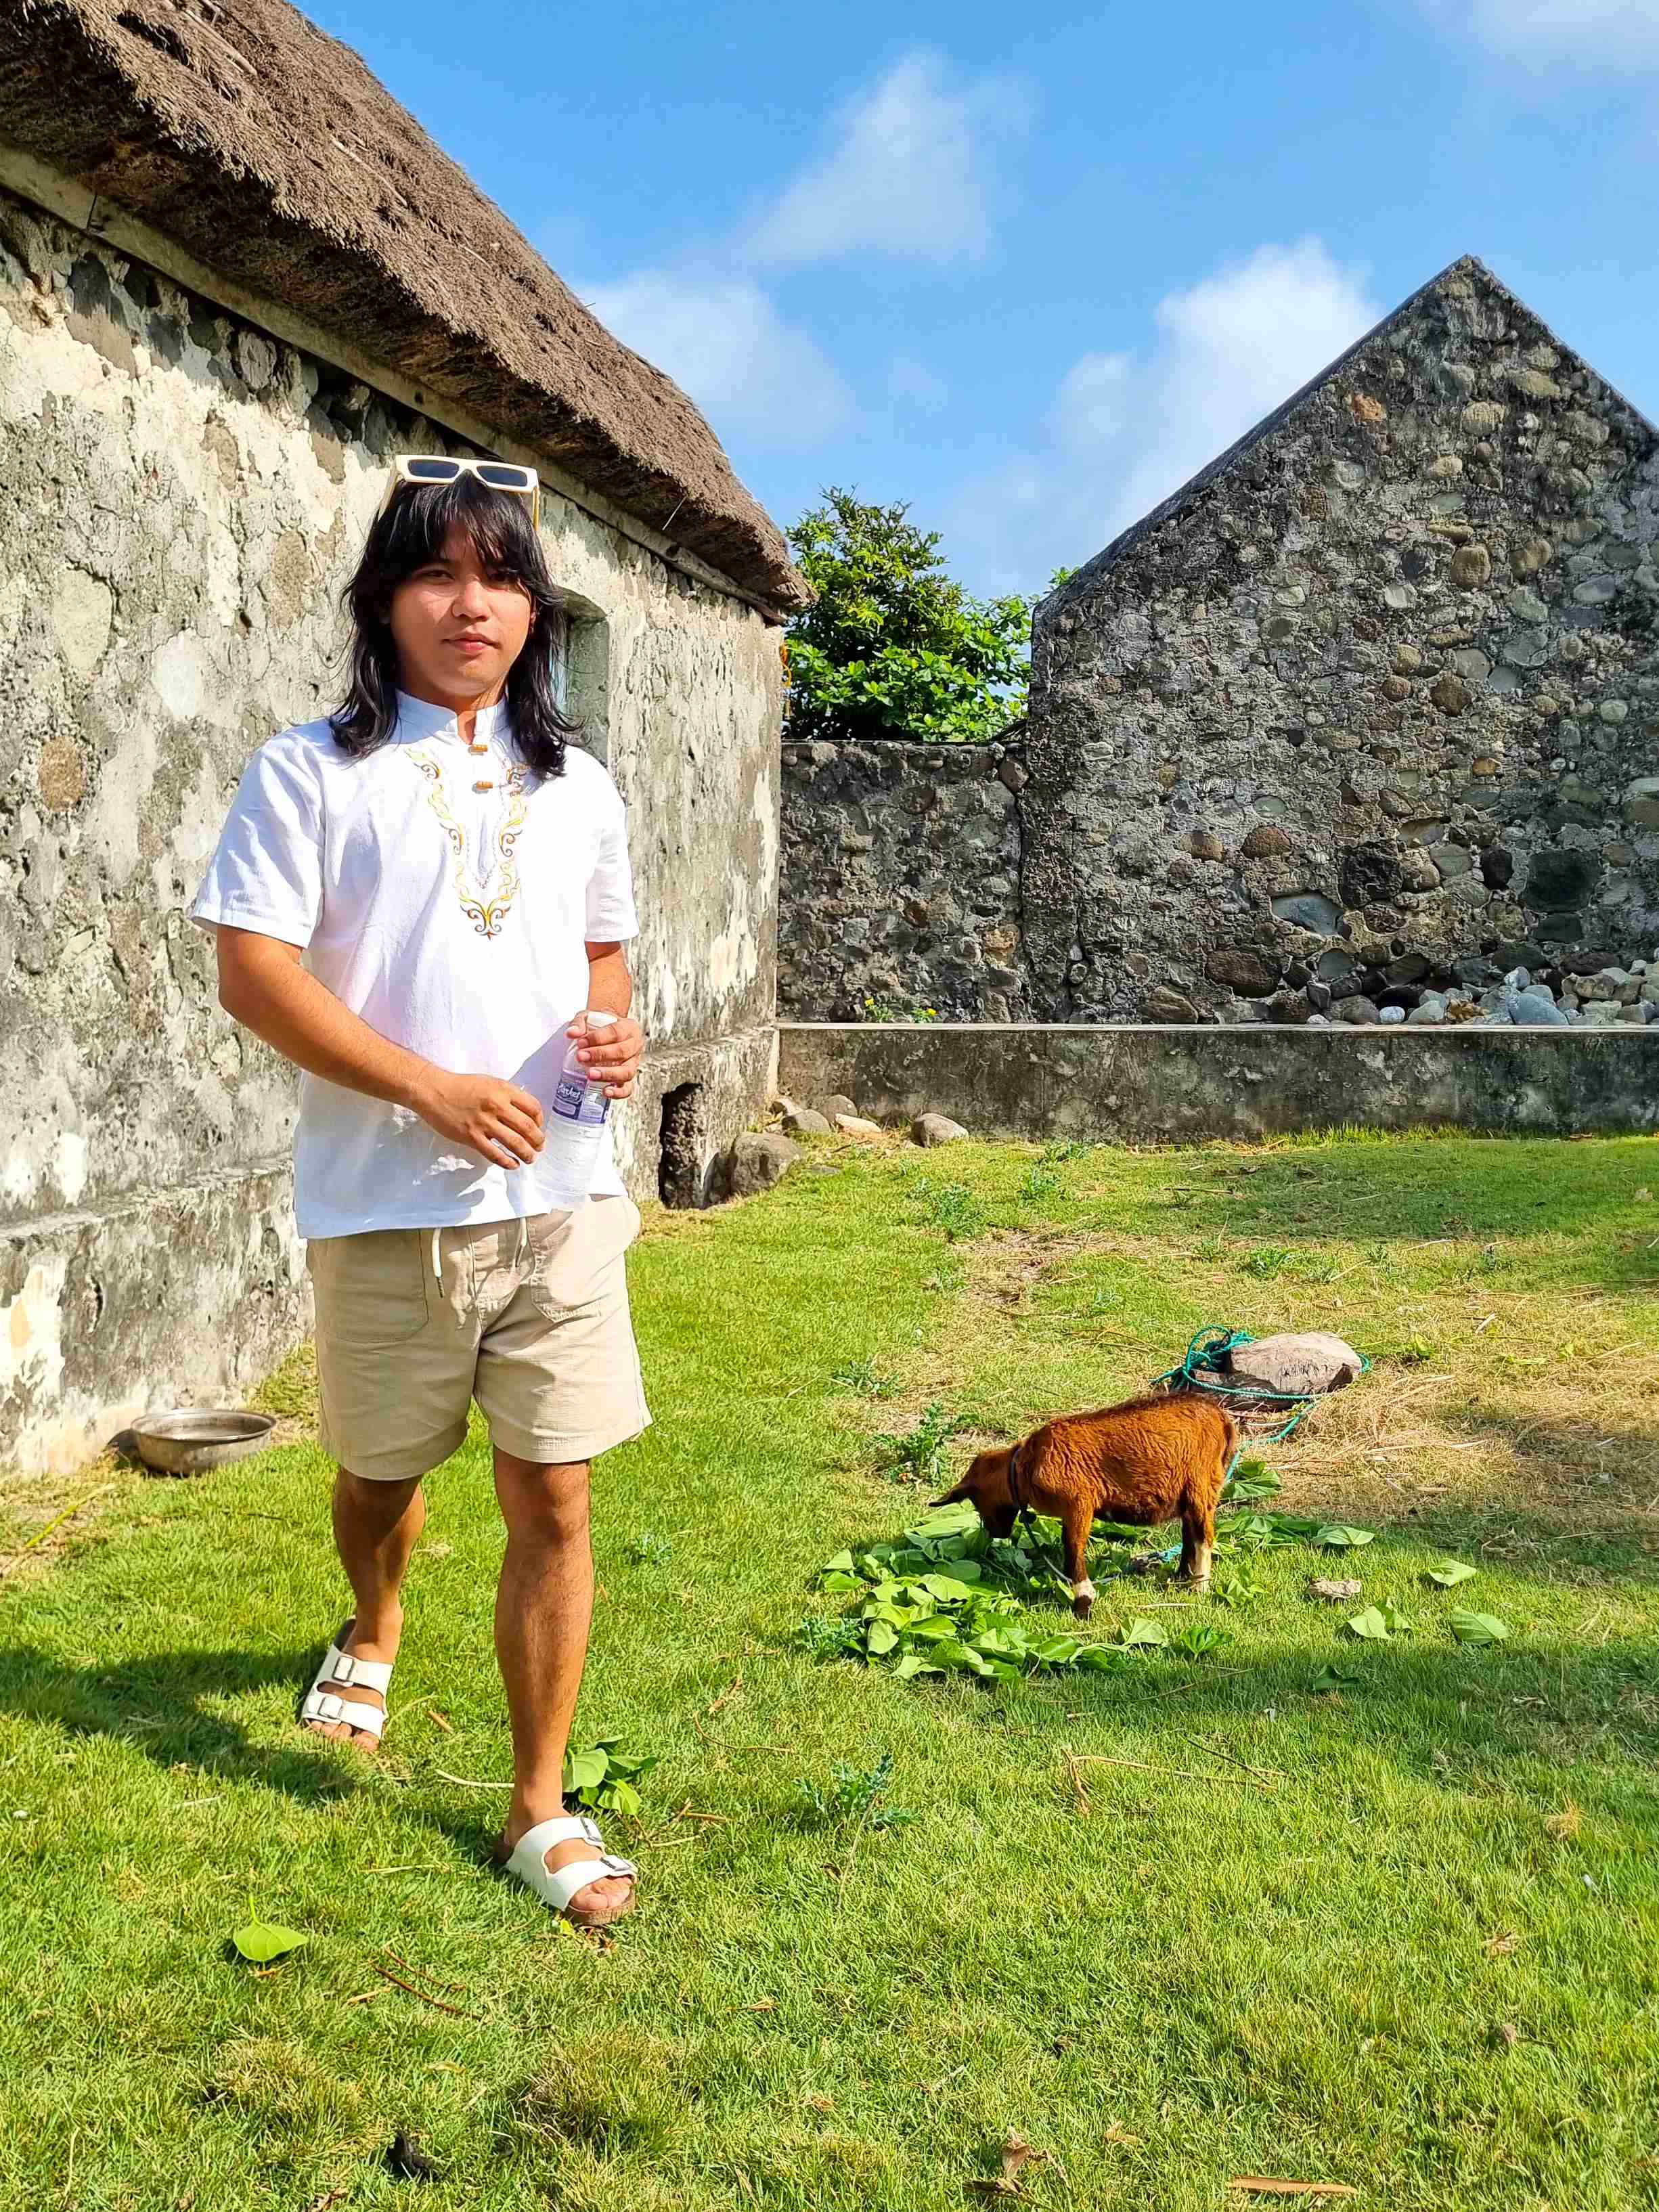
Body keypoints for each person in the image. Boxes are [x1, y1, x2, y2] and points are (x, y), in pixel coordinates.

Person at [190, 456, 649, 1928]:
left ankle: (538, 1802)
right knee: (380, 1476)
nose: (472, 606)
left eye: (501, 578)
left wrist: (616, 1033)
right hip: (387, 1204)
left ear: (534, 611)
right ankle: (375, 1621)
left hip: (562, 1198)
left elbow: (601, 958)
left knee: (556, 1490)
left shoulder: (579, 785)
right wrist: (427, 1088)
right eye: (438, 575)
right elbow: (253, 972)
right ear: (383, 600)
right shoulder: (307, 771)